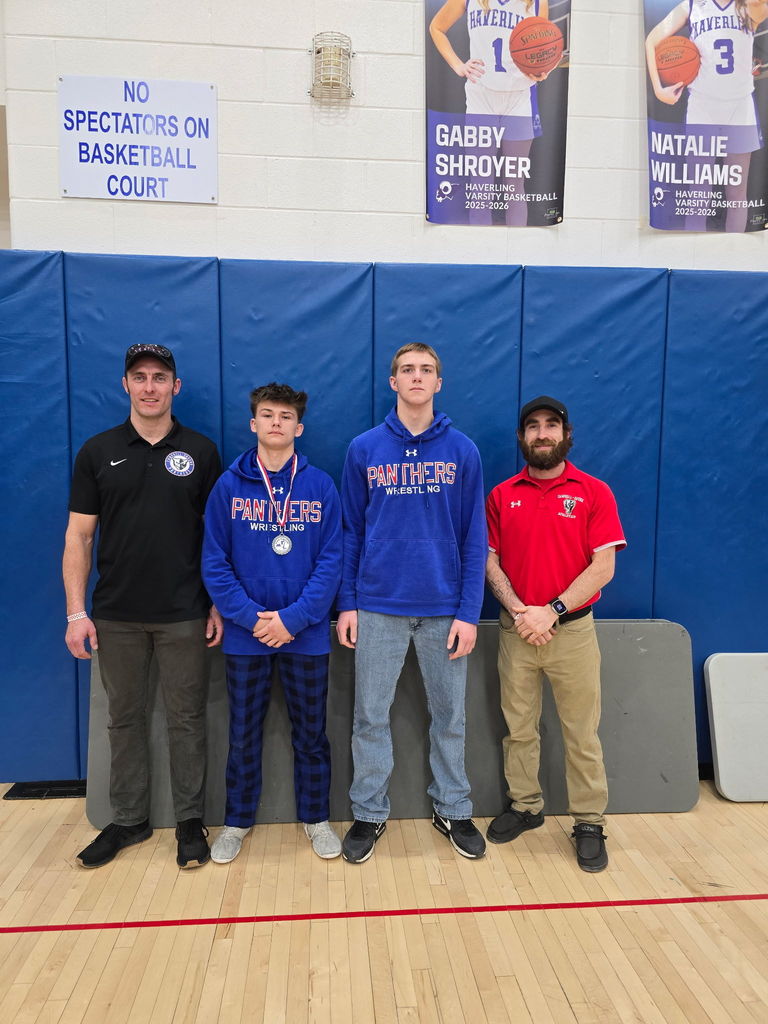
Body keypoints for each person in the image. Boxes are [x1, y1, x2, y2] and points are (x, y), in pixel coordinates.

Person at [63, 343, 223, 869]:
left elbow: (217, 540)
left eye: (160, 377)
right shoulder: (97, 451)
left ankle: (189, 823)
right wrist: (75, 612)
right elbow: (79, 538)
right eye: (140, 377)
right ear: (125, 385)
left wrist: (217, 604)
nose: (150, 386)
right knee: (124, 719)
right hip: (116, 614)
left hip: (184, 612)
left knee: (186, 720)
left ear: (175, 387)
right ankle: (129, 820)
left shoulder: (200, 451)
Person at [337, 343, 487, 863]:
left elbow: (474, 538)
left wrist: (469, 612)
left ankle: (453, 807)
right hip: (377, 606)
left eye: (426, 370)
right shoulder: (364, 449)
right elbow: (350, 532)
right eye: (407, 370)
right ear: (393, 382)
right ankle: (369, 813)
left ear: (438, 383)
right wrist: (348, 603)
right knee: (369, 717)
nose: (417, 377)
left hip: (445, 609)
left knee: (449, 716)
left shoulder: (463, 451)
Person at [202, 383, 342, 864]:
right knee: (242, 735)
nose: (277, 422)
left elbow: (331, 562)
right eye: (268, 414)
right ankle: (237, 822)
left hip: (305, 637)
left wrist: (294, 619)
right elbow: (214, 562)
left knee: (311, 735)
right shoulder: (229, 485)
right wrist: (250, 618)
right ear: (254, 424)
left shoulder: (321, 485)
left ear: (298, 428)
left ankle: (316, 818)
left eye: (286, 416)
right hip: (246, 637)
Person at [485, 397, 625, 872]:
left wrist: (553, 610)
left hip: (572, 632)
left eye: (551, 426)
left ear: (566, 434)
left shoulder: (593, 492)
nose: (542, 434)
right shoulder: (502, 495)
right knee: (518, 729)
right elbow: (489, 561)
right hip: (515, 629)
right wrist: (522, 610)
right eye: (532, 427)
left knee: (581, 732)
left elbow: (603, 566)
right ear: (522, 438)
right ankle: (526, 806)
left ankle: (588, 820)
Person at [645, 0, 768, 231]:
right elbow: (651, 41)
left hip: (739, 108)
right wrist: (658, 90)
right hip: (702, 107)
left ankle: (734, 253)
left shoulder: (750, 6)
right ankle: (694, 254)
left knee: (737, 191)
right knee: (698, 189)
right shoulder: (691, 6)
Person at [430, 0, 550, 225]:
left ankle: (516, 250)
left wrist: (542, 70)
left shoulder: (535, 2)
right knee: (480, 182)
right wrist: (458, 65)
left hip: (519, 99)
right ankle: (481, 253)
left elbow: (544, 50)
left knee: (514, 183)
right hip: (480, 98)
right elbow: (436, 27)